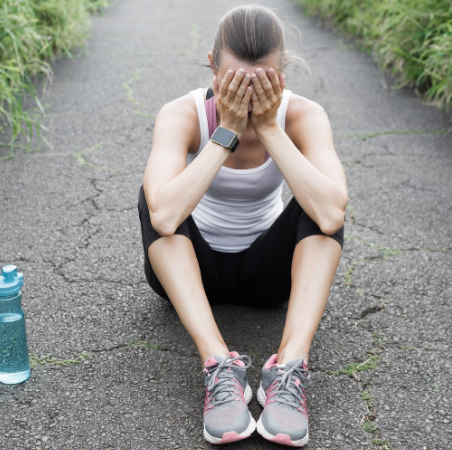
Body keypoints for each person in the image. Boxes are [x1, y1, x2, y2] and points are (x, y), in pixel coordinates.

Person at [136, 5, 347, 447]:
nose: (248, 93)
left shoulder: (303, 115)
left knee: (323, 201)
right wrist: (226, 131)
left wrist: (270, 127)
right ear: (213, 68)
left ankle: (288, 367)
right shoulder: (182, 114)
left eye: (263, 81)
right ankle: (219, 364)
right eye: (235, 81)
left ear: (282, 73)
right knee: (157, 198)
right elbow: (165, 218)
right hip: (190, 273)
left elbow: (331, 215)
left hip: (266, 276)